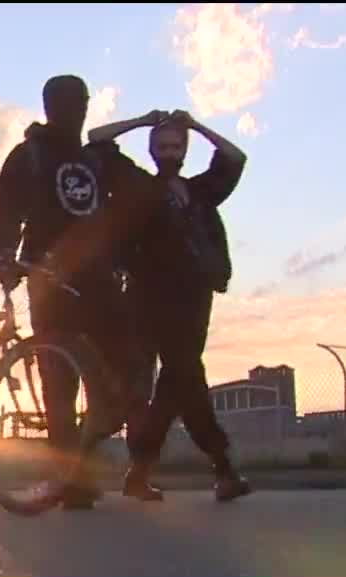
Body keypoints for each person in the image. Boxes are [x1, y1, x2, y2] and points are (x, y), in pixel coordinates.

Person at [0, 74, 140, 510]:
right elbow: (8, 213)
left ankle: (87, 454)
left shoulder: (95, 158)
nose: (76, 109)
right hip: (48, 278)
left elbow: (127, 204)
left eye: (81, 102)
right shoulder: (28, 156)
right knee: (60, 382)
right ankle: (71, 478)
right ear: (49, 106)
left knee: (124, 370)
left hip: (99, 279)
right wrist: (5, 261)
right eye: (67, 102)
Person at [87, 109, 252, 502]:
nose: (169, 151)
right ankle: (223, 468)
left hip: (195, 299)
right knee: (184, 377)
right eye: (162, 145)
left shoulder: (199, 192)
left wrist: (195, 125)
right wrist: (142, 120)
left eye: (176, 145)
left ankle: (138, 472)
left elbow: (235, 158)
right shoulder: (138, 185)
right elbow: (96, 138)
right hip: (149, 299)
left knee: (175, 385)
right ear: (151, 150)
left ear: (185, 149)